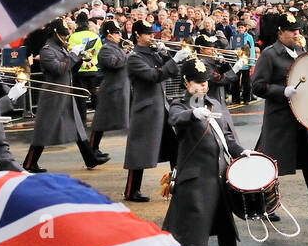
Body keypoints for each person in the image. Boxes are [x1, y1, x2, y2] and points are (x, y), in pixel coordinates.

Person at [164, 58, 254, 246]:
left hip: (218, 177)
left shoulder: (215, 103)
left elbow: (227, 138)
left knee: (226, 230)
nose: (203, 87)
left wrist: (241, 151)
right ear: (186, 82)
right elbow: (175, 119)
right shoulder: (179, 105)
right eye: (197, 83)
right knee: (183, 232)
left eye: (205, 83)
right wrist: (194, 114)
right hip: (194, 180)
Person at [251, 12, 308, 221]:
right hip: (279, 118)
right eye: (292, 31)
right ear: (280, 32)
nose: (296, 33)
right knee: (272, 164)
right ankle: (266, 206)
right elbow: (257, 86)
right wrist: (281, 91)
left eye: (298, 30)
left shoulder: (300, 51)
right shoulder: (269, 54)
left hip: (301, 116)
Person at [21, 19, 107, 173]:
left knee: (78, 127)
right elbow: (59, 69)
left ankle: (90, 159)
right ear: (55, 34)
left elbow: (70, 69)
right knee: (43, 130)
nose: (65, 37)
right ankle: (29, 163)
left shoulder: (60, 48)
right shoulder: (47, 50)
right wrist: (73, 56)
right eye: (62, 34)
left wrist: (80, 57)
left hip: (65, 92)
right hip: (53, 95)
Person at [124, 19, 191, 202]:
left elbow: (172, 71)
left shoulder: (151, 53)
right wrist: (173, 60)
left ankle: (177, 185)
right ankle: (131, 191)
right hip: (145, 109)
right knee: (139, 151)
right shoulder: (135, 57)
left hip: (161, 107)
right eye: (148, 33)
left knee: (174, 148)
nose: (152, 36)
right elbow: (155, 76)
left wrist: (167, 54)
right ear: (137, 35)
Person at [89, 20, 130, 154]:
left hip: (120, 88)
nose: (119, 35)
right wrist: (128, 56)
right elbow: (114, 63)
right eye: (116, 33)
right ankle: (92, 149)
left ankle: (93, 149)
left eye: (118, 32)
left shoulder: (116, 47)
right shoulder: (106, 48)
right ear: (108, 35)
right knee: (100, 121)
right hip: (111, 89)